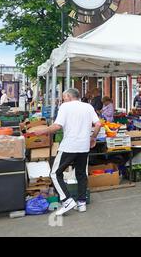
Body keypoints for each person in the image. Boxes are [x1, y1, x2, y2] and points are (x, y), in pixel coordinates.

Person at [34, 88, 102, 216]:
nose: (63, 99)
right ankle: (81, 203)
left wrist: (42, 131)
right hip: (83, 146)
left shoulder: (65, 107)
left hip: (69, 146)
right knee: (81, 174)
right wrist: (93, 138)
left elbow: (57, 126)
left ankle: (67, 200)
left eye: (64, 97)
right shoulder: (88, 106)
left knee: (54, 173)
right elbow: (98, 124)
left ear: (69, 96)